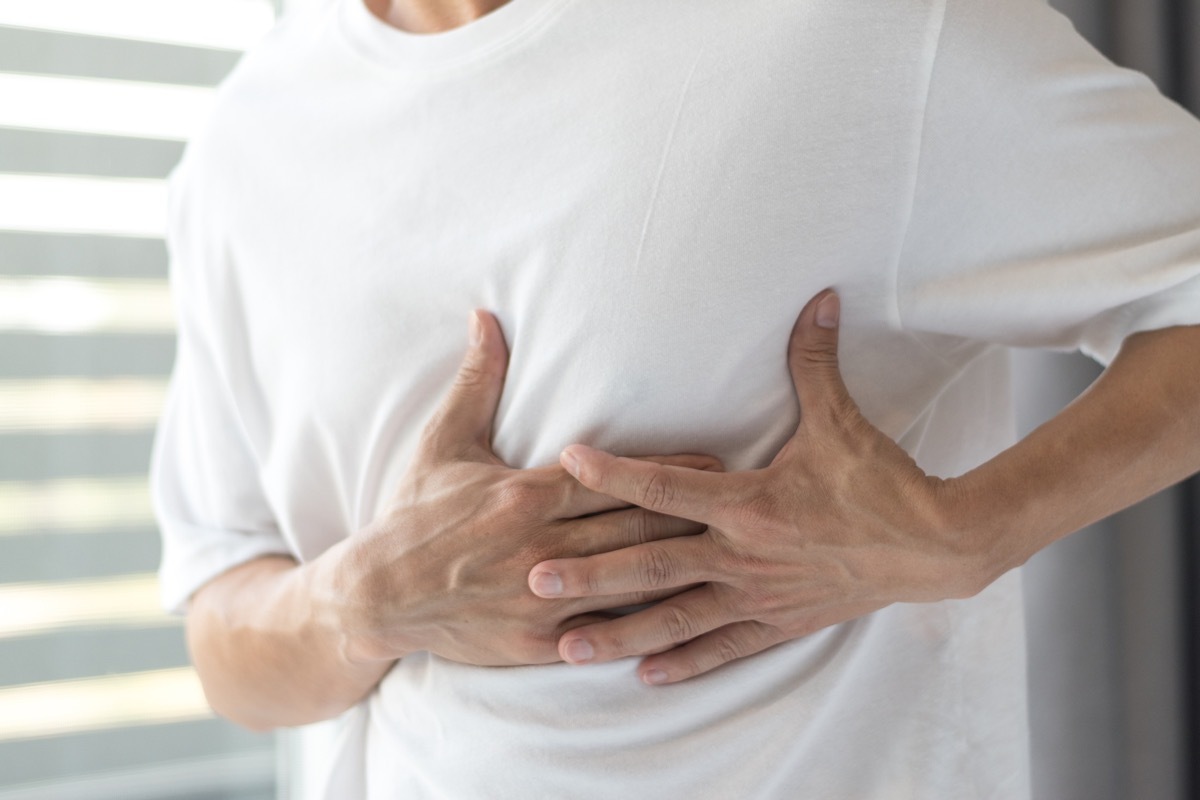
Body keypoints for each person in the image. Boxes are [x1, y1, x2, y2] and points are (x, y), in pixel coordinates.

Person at [150, 0, 1200, 795]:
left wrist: (970, 530)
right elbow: (229, 641)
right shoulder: (243, 149)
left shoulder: (859, 28)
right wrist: (365, 600)